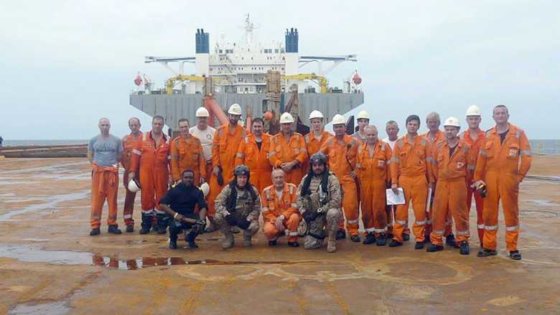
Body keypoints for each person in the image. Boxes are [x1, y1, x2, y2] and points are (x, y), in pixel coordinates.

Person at [474, 105, 532, 260]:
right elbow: (481, 160)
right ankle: (489, 246)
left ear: (508, 115)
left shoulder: (518, 133)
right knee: (489, 214)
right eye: (497, 113)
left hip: (509, 179)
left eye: (503, 113)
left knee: (511, 214)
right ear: (493, 116)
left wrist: (519, 177)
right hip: (490, 179)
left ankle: (512, 248)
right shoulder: (488, 135)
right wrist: (478, 180)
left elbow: (526, 157)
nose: (500, 116)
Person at [427, 117, 476, 255]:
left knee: (460, 212)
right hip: (442, 183)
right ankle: (436, 241)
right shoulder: (438, 147)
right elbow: (434, 166)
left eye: (452, 129)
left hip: (458, 183)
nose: (449, 132)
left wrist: (462, 179)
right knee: (438, 212)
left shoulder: (465, 147)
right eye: (447, 129)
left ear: (458, 130)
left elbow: (470, 167)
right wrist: (439, 178)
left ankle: (463, 240)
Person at [389, 115, 431, 249]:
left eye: (415, 124)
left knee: (420, 211)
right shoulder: (400, 143)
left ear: (418, 126)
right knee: (400, 210)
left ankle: (419, 238)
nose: (412, 126)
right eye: (410, 124)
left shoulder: (424, 143)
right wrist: (394, 182)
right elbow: (394, 164)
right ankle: (398, 237)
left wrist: (430, 181)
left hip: (420, 180)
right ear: (406, 125)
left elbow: (429, 163)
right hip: (404, 179)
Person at [319, 114, 360, 242]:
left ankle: (353, 230)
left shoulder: (354, 142)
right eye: (336, 127)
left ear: (345, 127)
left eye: (341, 126)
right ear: (333, 128)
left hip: (348, 178)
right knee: (336, 205)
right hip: (334, 180)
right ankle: (340, 229)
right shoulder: (329, 142)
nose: (339, 129)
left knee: (351, 206)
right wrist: (325, 174)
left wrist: (356, 171)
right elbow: (320, 157)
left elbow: (362, 157)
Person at [129, 115, 171, 235]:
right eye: (155, 123)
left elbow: (171, 160)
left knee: (161, 198)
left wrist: (173, 175)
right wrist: (132, 172)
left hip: (161, 173)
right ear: (152, 124)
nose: (157, 126)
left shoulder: (168, 139)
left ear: (163, 125)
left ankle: (161, 225)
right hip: (145, 173)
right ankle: (146, 225)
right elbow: (135, 157)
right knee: (146, 197)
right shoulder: (142, 138)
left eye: (160, 124)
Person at [207, 104, 246, 231]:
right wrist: (216, 166)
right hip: (220, 171)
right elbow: (215, 150)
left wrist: (239, 172)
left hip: (235, 171)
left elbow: (245, 151)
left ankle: (232, 223)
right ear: (228, 115)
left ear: (239, 117)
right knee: (214, 196)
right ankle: (213, 222)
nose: (233, 118)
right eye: (232, 115)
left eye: (236, 116)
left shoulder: (243, 132)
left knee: (233, 198)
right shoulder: (220, 131)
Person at [297, 152, 342, 253]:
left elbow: (336, 201)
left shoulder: (332, 179)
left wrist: (319, 211)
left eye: (320, 165)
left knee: (333, 213)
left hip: (326, 211)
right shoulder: (306, 179)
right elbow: (299, 198)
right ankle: (320, 233)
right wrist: (303, 212)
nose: (317, 167)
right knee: (309, 245)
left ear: (324, 165)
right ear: (312, 166)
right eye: (315, 165)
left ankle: (331, 238)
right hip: (313, 216)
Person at [356, 125, 392, 246]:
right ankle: (369, 232)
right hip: (365, 183)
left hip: (380, 183)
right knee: (366, 209)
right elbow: (358, 167)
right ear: (365, 135)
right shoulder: (360, 148)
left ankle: (381, 233)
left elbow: (390, 165)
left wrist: (390, 181)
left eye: (373, 135)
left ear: (377, 134)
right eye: (369, 135)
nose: (371, 137)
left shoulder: (384, 147)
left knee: (379, 209)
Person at [422, 112, 454, 245]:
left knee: (445, 208)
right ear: (427, 123)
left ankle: (448, 232)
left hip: (441, 178)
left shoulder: (444, 137)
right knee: (427, 207)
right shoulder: (422, 138)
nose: (432, 123)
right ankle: (428, 232)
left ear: (439, 123)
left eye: (435, 121)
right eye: (430, 121)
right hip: (425, 179)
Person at [87, 118, 123, 236]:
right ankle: (95, 225)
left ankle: (112, 224)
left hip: (112, 173)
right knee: (97, 200)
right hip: (98, 174)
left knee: (112, 200)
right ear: (99, 126)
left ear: (110, 126)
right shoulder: (93, 140)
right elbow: (90, 154)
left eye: (107, 125)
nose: (105, 127)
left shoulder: (116, 140)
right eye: (103, 125)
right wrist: (95, 165)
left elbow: (120, 154)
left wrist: (112, 165)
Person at [214, 165, 261, 249]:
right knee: (218, 217)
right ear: (236, 178)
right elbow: (218, 203)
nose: (242, 180)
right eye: (240, 177)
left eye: (244, 177)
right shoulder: (228, 189)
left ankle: (247, 237)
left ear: (247, 178)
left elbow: (257, 208)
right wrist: (226, 214)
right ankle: (229, 237)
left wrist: (249, 218)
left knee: (255, 226)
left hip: (245, 218)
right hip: (231, 216)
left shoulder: (253, 191)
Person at [159, 169, 207, 250]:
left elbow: (203, 206)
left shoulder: (197, 191)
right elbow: (162, 204)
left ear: (193, 178)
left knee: (202, 224)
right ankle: (173, 240)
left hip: (189, 216)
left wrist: (201, 220)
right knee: (175, 226)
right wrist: (175, 215)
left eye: (191, 178)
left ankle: (190, 239)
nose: (188, 179)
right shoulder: (174, 190)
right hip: (175, 216)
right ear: (182, 178)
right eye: (186, 177)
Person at [460, 105, 486, 246]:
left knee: (483, 211)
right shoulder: (461, 137)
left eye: (476, 118)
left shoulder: (487, 137)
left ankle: (484, 242)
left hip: (482, 179)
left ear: (480, 119)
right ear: (467, 120)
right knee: (464, 210)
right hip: (465, 179)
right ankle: (463, 240)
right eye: (471, 118)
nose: (473, 121)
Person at [382, 120, 409, 240]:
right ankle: (390, 228)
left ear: (398, 130)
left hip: (401, 178)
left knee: (401, 206)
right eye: (389, 129)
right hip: (386, 178)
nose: (391, 131)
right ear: (386, 130)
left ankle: (404, 230)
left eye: (393, 129)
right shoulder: (383, 143)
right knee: (387, 206)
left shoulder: (402, 142)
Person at [261, 169, 301, 247]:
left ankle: (292, 240)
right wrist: (276, 221)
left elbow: (295, 207)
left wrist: (282, 217)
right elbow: (265, 212)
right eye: (276, 178)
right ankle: (274, 237)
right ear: (272, 179)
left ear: (284, 178)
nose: (278, 180)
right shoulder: (266, 192)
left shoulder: (292, 188)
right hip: (273, 220)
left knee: (295, 217)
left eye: (280, 177)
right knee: (268, 230)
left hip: (288, 218)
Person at [269, 112, 308, 185]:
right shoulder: (274, 139)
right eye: (284, 124)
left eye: (288, 124)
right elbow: (271, 157)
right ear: (281, 125)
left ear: (292, 124)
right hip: (280, 173)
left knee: (295, 193)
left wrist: (292, 164)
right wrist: (281, 165)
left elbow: (304, 154)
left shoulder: (299, 137)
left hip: (296, 172)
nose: (286, 126)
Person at [235, 118, 273, 193]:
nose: (257, 129)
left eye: (259, 126)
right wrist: (239, 174)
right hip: (251, 176)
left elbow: (275, 157)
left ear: (263, 127)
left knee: (266, 196)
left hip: (267, 176)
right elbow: (239, 159)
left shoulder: (271, 139)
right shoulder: (245, 141)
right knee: (251, 196)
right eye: (255, 126)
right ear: (252, 127)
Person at [121, 117, 143, 232]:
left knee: (147, 197)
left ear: (140, 125)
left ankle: (150, 220)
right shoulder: (125, 140)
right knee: (129, 198)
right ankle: (128, 221)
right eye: (132, 125)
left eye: (136, 125)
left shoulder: (145, 138)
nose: (134, 127)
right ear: (129, 126)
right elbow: (122, 157)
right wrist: (129, 170)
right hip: (129, 173)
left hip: (143, 172)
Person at [170, 118, 206, 185]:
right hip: (182, 177)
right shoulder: (175, 143)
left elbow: (201, 160)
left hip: (195, 177)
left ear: (189, 126)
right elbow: (174, 162)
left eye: (185, 126)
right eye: (182, 127)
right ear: (179, 128)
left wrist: (203, 175)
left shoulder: (196, 141)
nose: (184, 129)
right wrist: (177, 179)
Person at [190, 107, 216, 188]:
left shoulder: (213, 132)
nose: (202, 120)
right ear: (197, 118)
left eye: (204, 118)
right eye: (200, 118)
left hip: (209, 166)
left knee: (210, 187)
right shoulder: (191, 132)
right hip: (196, 166)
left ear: (207, 119)